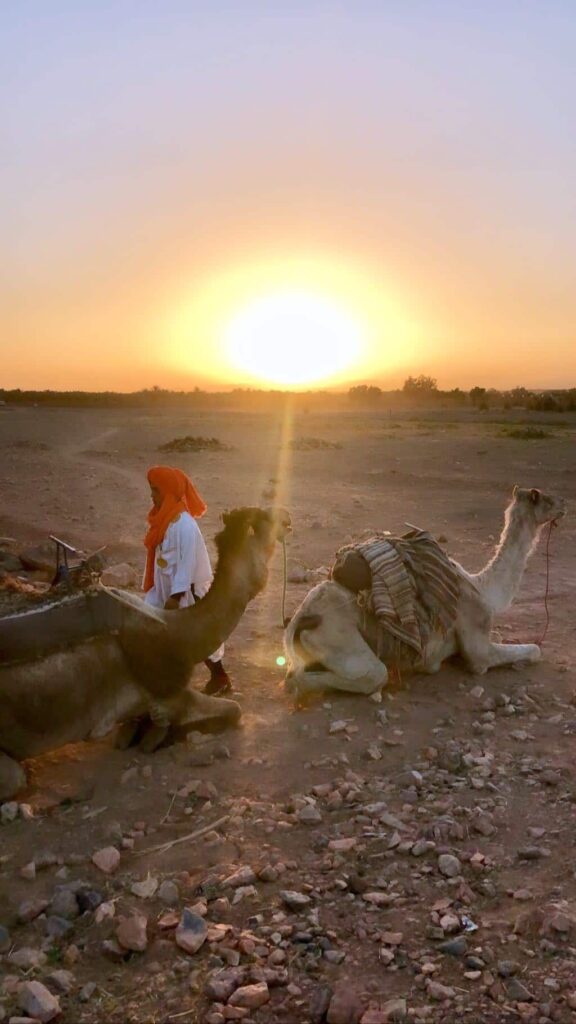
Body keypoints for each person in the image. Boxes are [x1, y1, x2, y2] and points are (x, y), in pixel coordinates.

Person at [143, 465, 231, 695]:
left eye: (155, 490)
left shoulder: (185, 525)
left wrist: (176, 597)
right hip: (165, 587)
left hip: (186, 592)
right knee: (147, 620)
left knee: (200, 639)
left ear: (168, 492)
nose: (152, 496)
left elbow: (187, 564)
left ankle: (220, 678)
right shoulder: (164, 522)